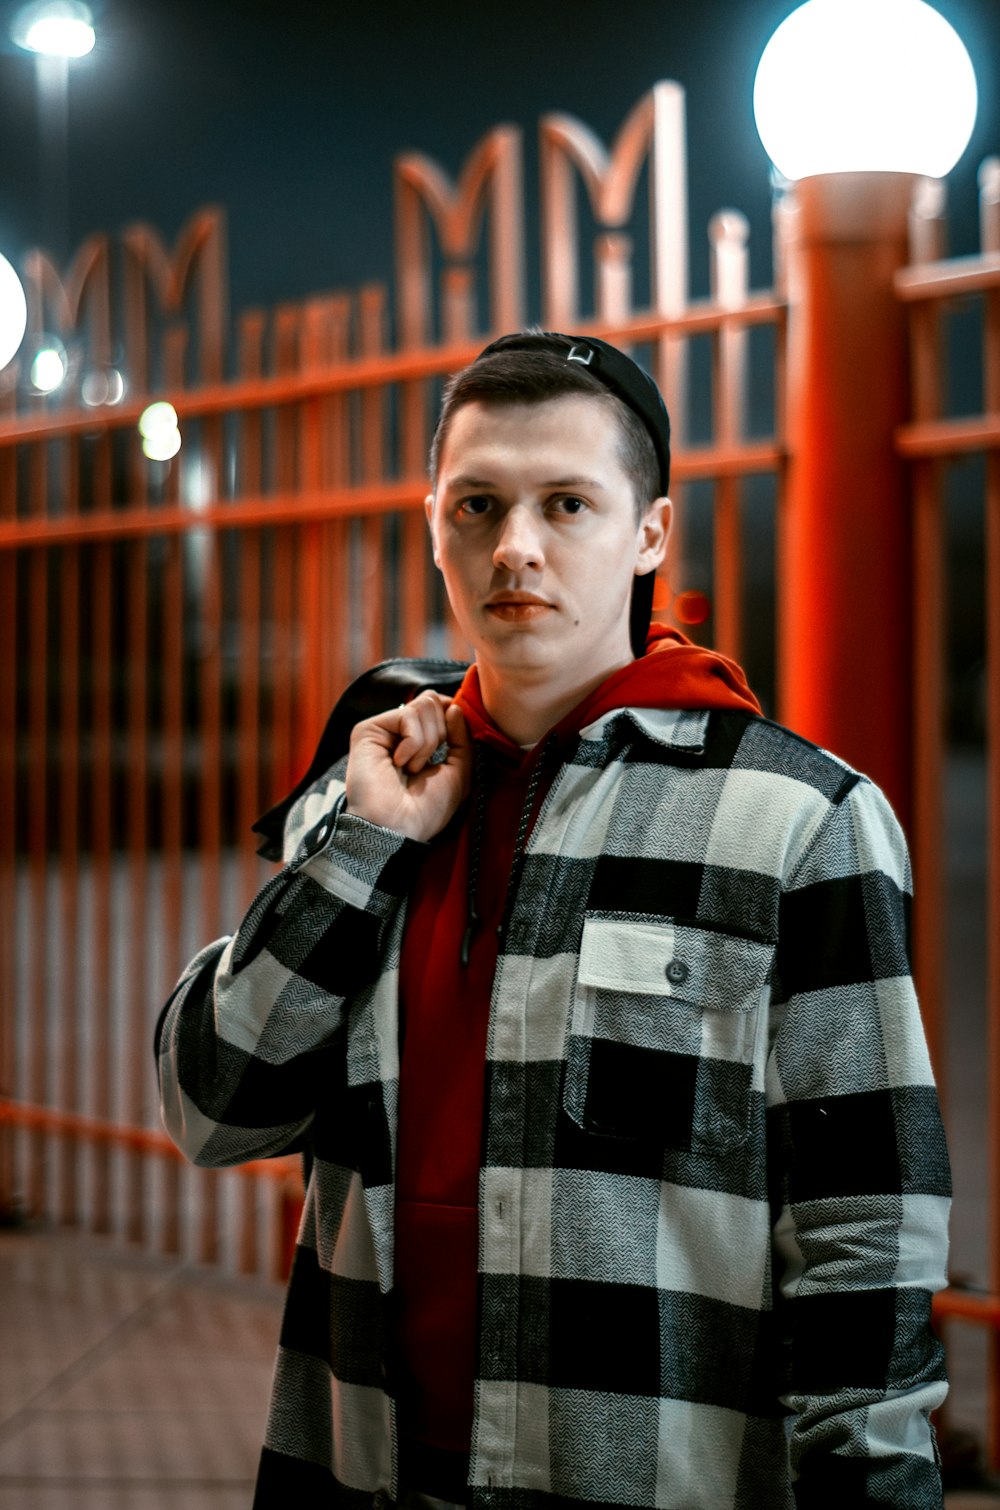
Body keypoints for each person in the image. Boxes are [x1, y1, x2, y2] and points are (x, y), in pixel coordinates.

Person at [157, 331, 951, 1510]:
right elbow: (211, 1107)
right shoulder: (376, 791)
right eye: (477, 505)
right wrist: (362, 845)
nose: (514, 547)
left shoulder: (796, 817)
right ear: (434, 526)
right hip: (357, 1467)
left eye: (566, 503)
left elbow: (865, 1230)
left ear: (648, 534)